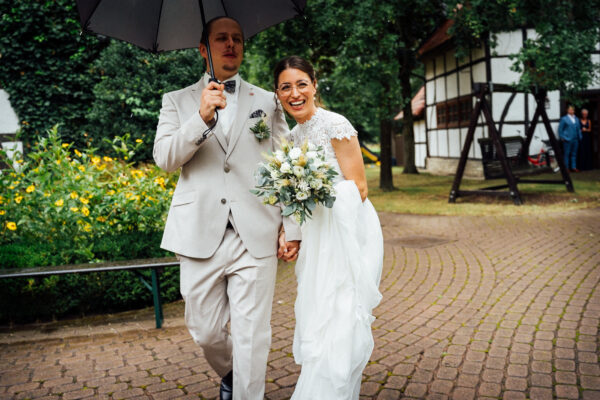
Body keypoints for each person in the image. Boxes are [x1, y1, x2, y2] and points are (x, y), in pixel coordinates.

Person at [153, 17, 301, 400]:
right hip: (199, 232)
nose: (231, 44)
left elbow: (286, 164)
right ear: (204, 49)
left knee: (254, 333)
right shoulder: (176, 101)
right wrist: (200, 118)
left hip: (257, 229)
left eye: (237, 38)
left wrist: (291, 225)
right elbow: (165, 158)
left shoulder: (266, 101)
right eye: (221, 38)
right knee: (204, 329)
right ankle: (234, 375)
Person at [273, 56, 384, 400]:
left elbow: (360, 188)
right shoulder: (289, 139)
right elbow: (291, 198)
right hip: (318, 238)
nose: (295, 93)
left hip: (347, 233)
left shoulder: (335, 124)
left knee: (340, 314)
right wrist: (288, 233)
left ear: (314, 86)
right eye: (285, 86)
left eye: (301, 83)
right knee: (318, 312)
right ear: (277, 94)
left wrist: (314, 190)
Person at [558, 105, 582, 172]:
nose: (572, 111)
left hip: (575, 139)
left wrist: (580, 136)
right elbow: (560, 129)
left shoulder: (576, 118)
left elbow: (579, 128)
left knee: (574, 154)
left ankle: (573, 167)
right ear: (567, 110)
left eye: (573, 110)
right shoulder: (564, 119)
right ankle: (566, 168)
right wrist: (562, 137)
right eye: (571, 110)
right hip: (567, 139)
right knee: (567, 154)